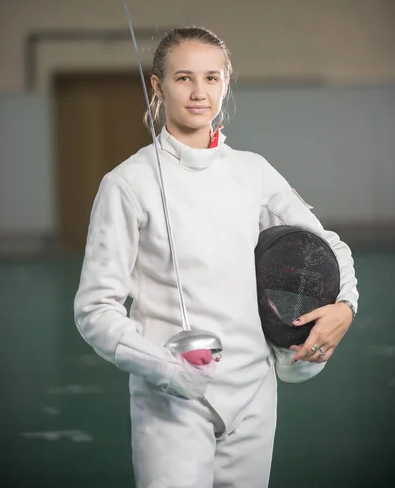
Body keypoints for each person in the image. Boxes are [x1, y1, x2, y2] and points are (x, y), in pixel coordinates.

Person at [74, 27, 358, 488]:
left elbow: (326, 245)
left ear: (226, 82)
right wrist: (168, 369)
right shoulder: (127, 183)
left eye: (211, 77)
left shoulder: (252, 172)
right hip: (172, 401)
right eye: (184, 78)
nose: (199, 92)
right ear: (157, 86)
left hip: (254, 394)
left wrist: (346, 307)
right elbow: (94, 310)